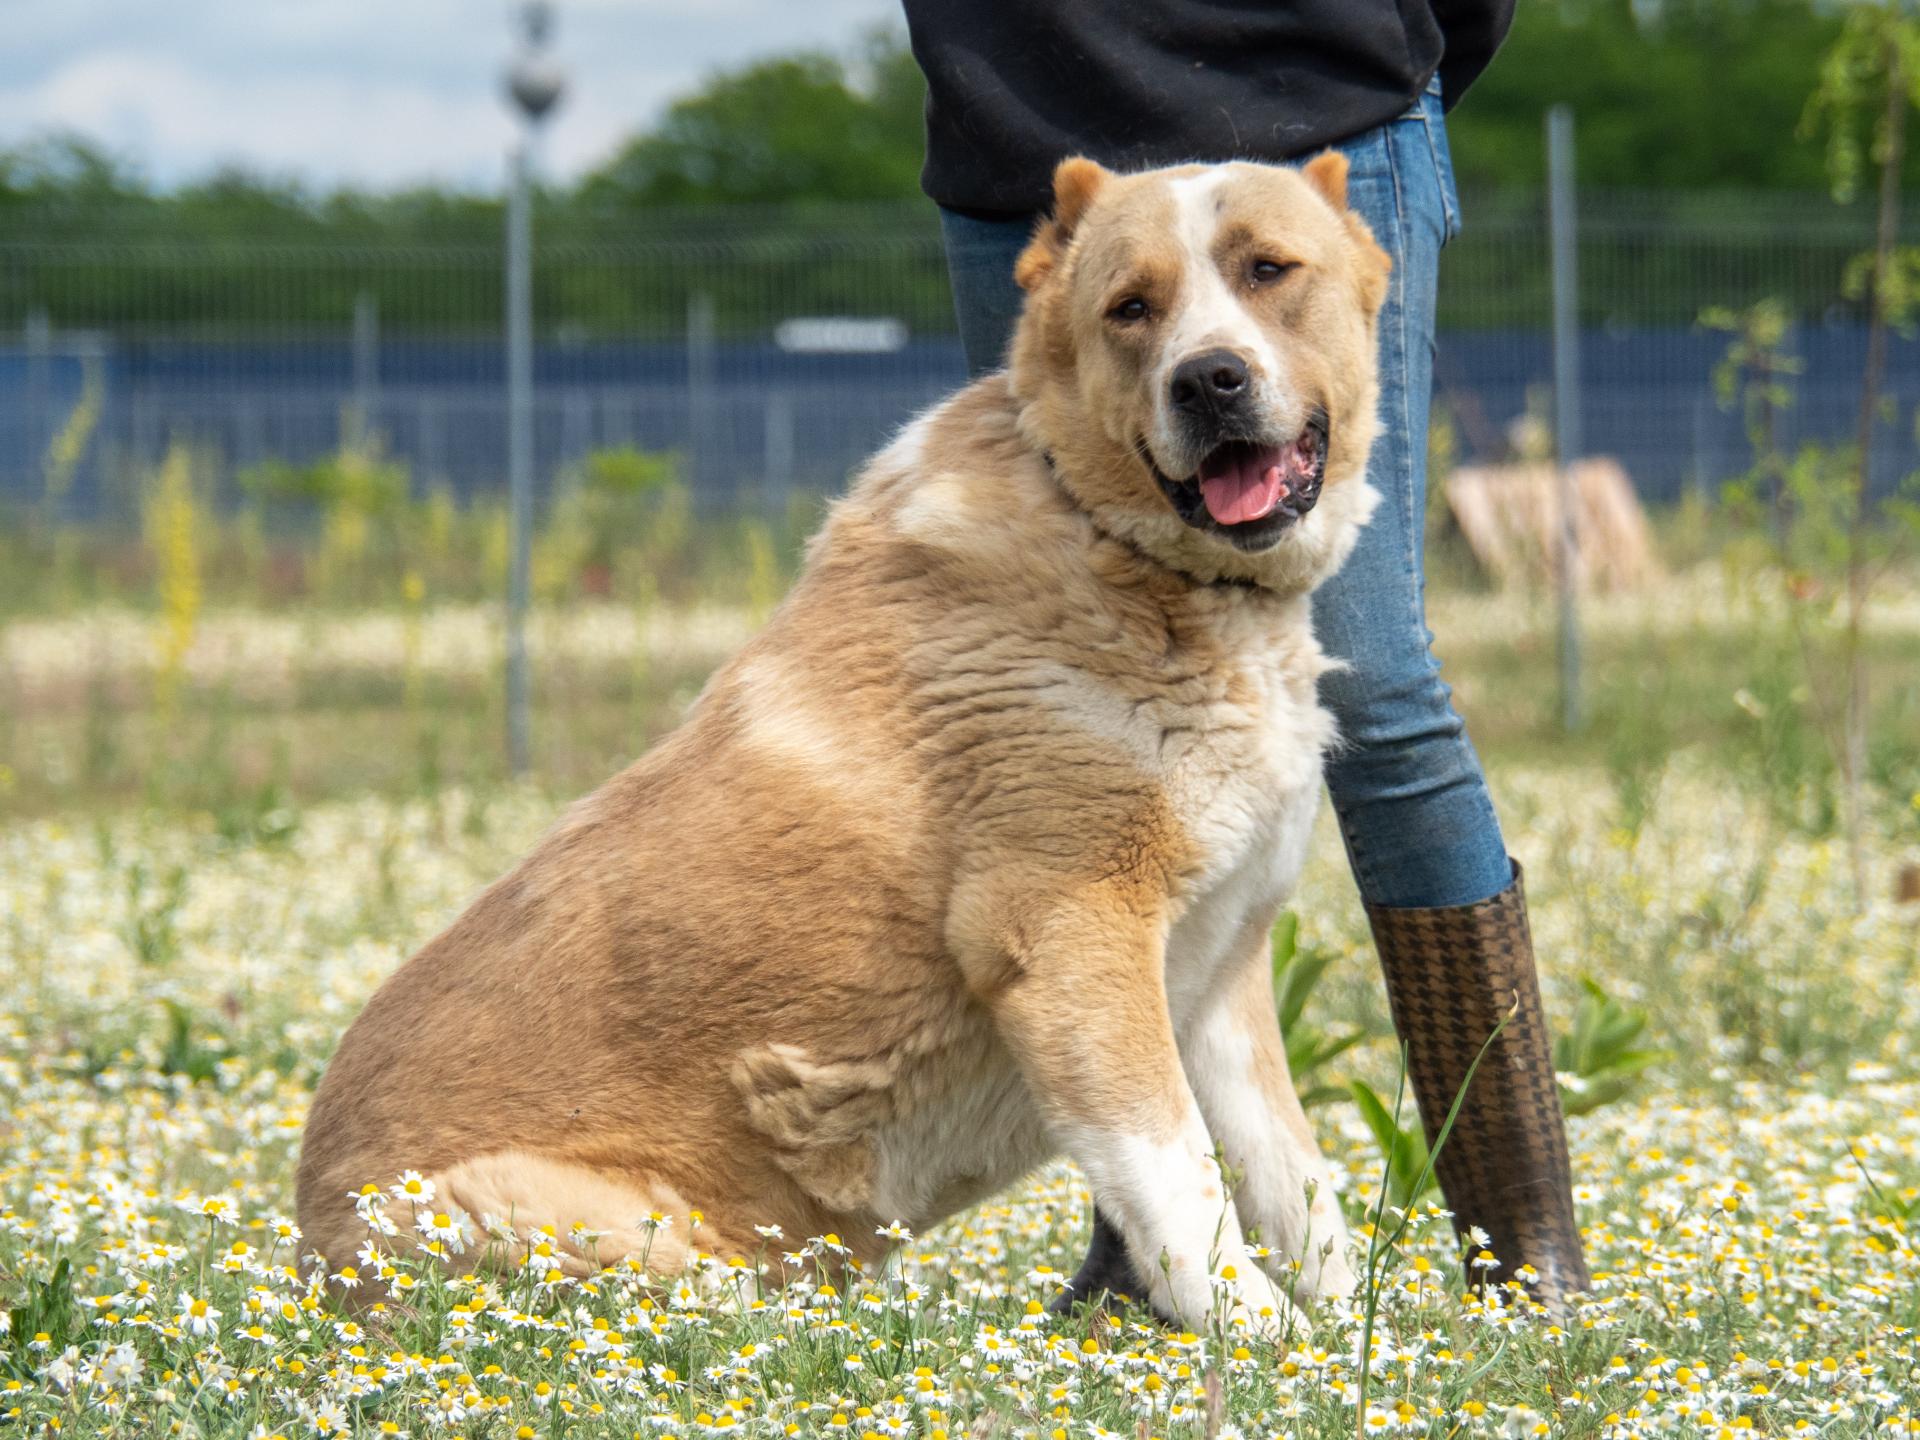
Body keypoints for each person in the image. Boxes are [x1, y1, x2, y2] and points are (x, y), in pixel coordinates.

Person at [898, 0, 1591, 1314]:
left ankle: (1523, 1245)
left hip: (1317, 105)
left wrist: (1389, 54)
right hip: (1027, 143)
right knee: (1092, 733)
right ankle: (1153, 1246)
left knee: (1377, 690)